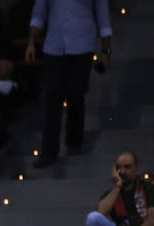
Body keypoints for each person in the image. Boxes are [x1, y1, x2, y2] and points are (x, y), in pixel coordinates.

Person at [27, 0, 111, 167]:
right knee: (52, 97)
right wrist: (31, 41)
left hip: (82, 45)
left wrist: (106, 50)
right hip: (54, 46)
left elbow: (103, 15)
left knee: (76, 94)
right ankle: (49, 151)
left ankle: (74, 143)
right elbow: (39, 13)